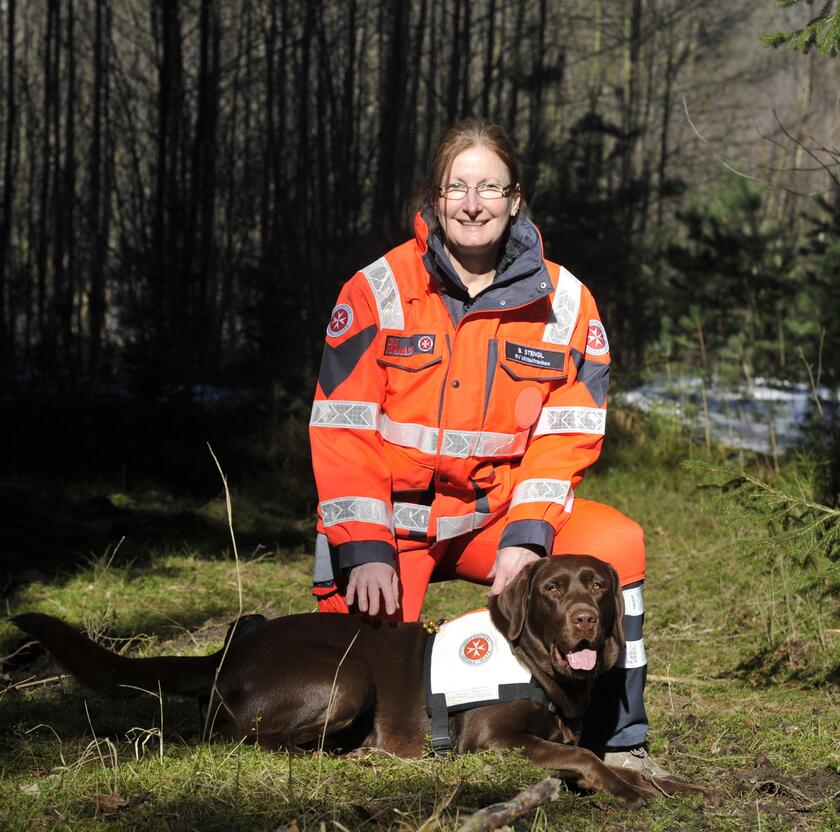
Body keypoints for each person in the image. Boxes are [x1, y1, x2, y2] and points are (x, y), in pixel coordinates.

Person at [308, 119, 668, 777]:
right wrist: (361, 546)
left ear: (515, 198)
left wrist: (527, 538)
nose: (474, 204)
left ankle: (620, 736)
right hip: (393, 528)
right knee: (366, 681)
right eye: (458, 187)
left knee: (617, 542)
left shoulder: (565, 302)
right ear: (435, 198)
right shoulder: (376, 290)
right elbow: (342, 427)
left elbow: (568, 435)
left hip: (498, 523)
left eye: (490, 188)